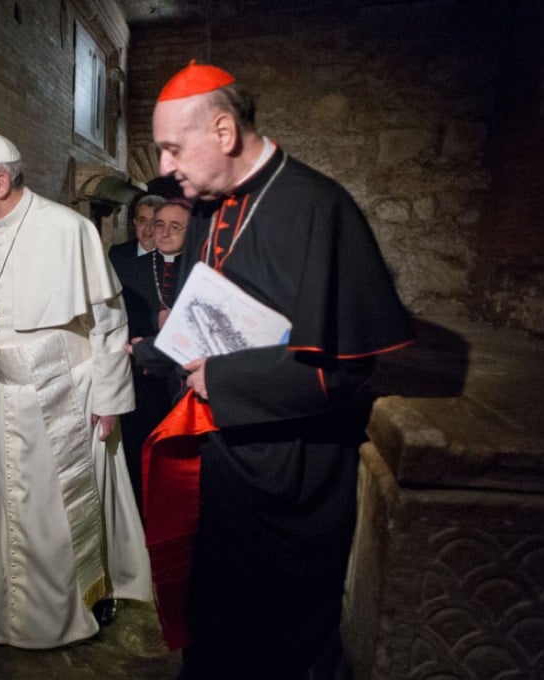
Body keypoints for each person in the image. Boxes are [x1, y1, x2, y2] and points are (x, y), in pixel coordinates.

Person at [141, 62, 414, 678]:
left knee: (280, 643)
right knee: (212, 621)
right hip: (223, 459)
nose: (163, 167)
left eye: (172, 147)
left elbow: (342, 373)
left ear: (223, 131)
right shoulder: (206, 207)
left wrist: (224, 379)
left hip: (292, 475)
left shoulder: (319, 207)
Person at [0, 130, 152, 649]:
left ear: (0, 180)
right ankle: (0, 619)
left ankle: (71, 615)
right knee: (0, 514)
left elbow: (108, 323)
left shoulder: (68, 230)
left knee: (55, 516)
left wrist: (109, 399)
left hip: (60, 395)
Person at [114, 197, 192, 512]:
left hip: (183, 385)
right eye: (159, 224)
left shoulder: (200, 270)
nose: (163, 232)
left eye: (175, 227)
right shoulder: (130, 268)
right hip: (143, 381)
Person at [108, 193, 164, 270]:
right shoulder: (117, 254)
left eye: (154, 222)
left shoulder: (173, 258)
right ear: (135, 222)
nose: (148, 228)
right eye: (142, 221)